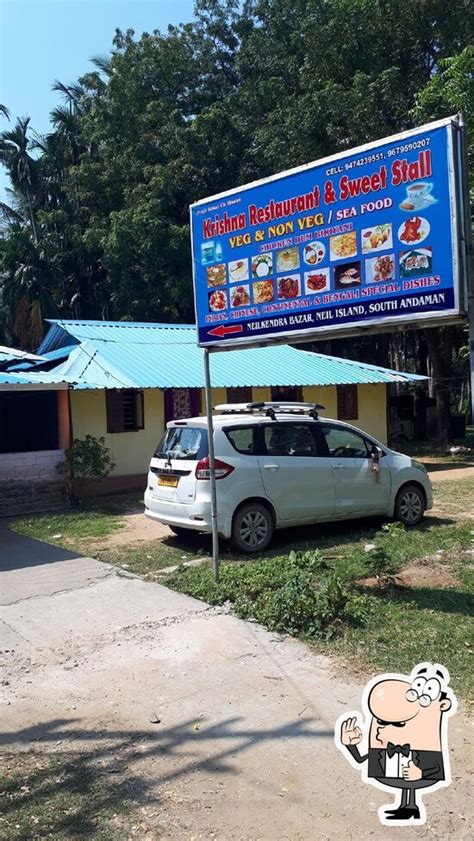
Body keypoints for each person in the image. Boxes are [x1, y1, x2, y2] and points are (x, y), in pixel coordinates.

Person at [336, 663, 456, 825]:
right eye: (380, 722)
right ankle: (406, 807)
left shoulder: (427, 747)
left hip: (418, 774)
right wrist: (350, 745)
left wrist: (421, 773)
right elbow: (360, 760)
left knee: (410, 782)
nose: (382, 729)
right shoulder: (382, 748)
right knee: (406, 783)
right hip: (392, 774)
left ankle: (410, 807)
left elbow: (436, 768)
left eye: (398, 724)